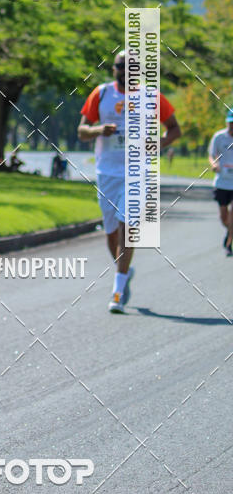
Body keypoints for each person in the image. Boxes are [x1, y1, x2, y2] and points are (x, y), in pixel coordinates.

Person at [77, 50, 181, 313]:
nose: (126, 71)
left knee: (128, 225)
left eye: (132, 67)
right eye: (121, 66)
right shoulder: (101, 94)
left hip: (137, 171)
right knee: (111, 231)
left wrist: (158, 143)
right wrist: (100, 129)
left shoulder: (152, 97)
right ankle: (124, 271)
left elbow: (175, 129)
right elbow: (82, 131)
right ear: (114, 69)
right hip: (107, 172)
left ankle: (117, 291)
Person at [208, 111, 233, 256]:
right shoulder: (219, 137)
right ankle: (229, 232)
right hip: (222, 182)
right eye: (230, 122)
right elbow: (212, 155)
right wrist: (214, 164)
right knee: (224, 216)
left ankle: (229, 242)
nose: (232, 125)